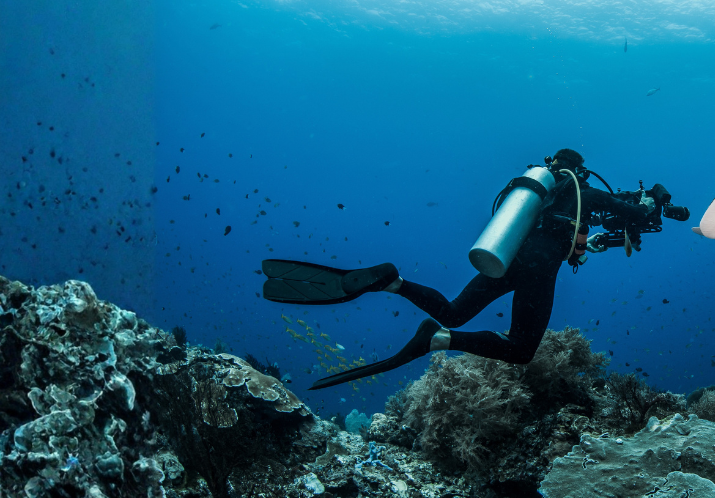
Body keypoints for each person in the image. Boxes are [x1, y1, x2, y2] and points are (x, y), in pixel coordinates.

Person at [261, 149, 658, 389]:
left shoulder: (541, 200)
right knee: (521, 350)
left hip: (508, 258)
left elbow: (591, 232)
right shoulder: (583, 193)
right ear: (580, 172)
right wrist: (653, 200)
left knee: (453, 310)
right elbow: (635, 214)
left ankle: (392, 281)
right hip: (537, 271)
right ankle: (437, 339)